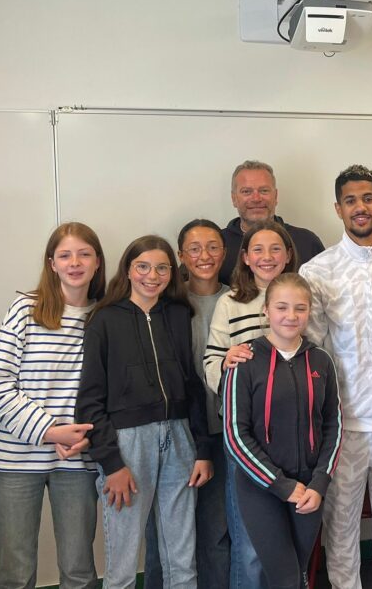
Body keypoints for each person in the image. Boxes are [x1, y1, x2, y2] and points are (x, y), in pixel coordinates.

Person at [299, 164, 372, 589]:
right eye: (351, 201)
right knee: (341, 530)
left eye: (368, 198)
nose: (360, 208)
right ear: (338, 208)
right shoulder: (318, 271)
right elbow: (310, 354)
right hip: (345, 428)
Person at [76, 235, 213, 589]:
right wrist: (111, 463)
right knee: (122, 564)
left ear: (172, 271)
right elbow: (90, 399)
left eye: (162, 267)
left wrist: (201, 449)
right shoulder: (104, 320)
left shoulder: (180, 315)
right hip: (127, 446)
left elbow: (193, 384)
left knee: (182, 559)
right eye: (143, 266)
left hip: (180, 439)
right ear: (128, 269)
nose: (153, 275)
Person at [0, 222, 106, 589]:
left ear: (98, 262)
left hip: (77, 459)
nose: (74, 262)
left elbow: (108, 393)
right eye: (65, 255)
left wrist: (86, 437)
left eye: (84, 254)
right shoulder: (26, 308)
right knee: (16, 574)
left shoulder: (104, 317)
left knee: (80, 572)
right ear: (51, 263)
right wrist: (50, 430)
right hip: (15, 462)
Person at [222, 273, 343, 589]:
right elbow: (235, 434)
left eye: (300, 308)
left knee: (300, 575)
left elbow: (333, 424)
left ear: (309, 311)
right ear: (266, 311)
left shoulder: (321, 360)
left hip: (309, 489)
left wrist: (319, 483)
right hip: (261, 488)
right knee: (286, 578)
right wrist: (280, 485)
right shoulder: (245, 360)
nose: (291, 316)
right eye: (282, 307)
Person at [204, 220, 298, 589]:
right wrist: (227, 367)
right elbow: (211, 362)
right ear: (244, 257)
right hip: (244, 436)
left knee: (290, 536)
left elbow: (317, 353)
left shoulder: (304, 295)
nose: (267, 257)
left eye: (276, 249)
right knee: (250, 538)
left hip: (292, 435)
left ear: (288, 254)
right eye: (257, 249)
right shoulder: (230, 302)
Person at [144, 219, 231, 589]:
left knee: (216, 535)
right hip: (176, 436)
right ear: (181, 255)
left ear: (225, 252)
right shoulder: (164, 303)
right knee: (164, 538)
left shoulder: (238, 299)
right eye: (194, 248)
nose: (204, 256)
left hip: (227, 436)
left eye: (212, 246)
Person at [219, 160, 325, 285]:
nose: (256, 198)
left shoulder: (307, 242)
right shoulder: (217, 246)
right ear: (234, 199)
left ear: (275, 196)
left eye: (264, 191)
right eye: (246, 191)